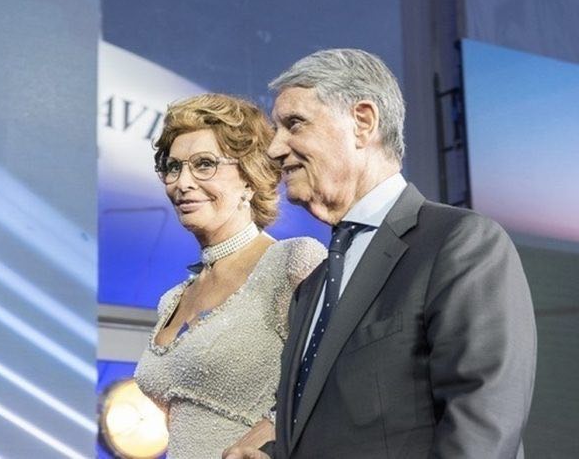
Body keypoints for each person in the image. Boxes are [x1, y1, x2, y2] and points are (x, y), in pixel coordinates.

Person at [224, 49, 537, 459]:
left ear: (363, 122)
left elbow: (483, 425)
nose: (275, 149)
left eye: (294, 124)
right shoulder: (312, 288)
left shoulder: (459, 243)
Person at [134, 93, 326, 458]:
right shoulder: (172, 300)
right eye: (173, 167)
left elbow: (339, 379)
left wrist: (273, 426)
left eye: (204, 164)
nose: (182, 183)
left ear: (250, 178)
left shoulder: (292, 261)